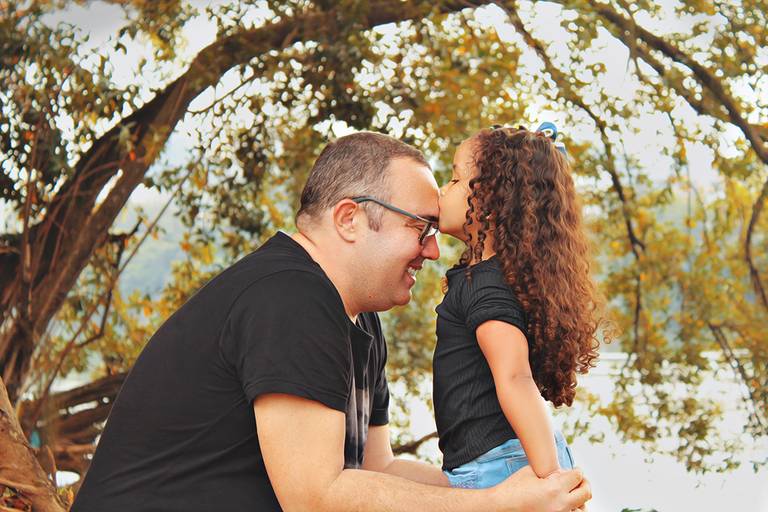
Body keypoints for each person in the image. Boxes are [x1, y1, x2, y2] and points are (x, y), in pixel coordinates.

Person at [72, 131, 591, 512]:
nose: (434, 250)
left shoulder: (361, 324)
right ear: (350, 219)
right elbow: (315, 497)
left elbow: (376, 470)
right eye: (420, 227)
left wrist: (511, 487)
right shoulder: (290, 297)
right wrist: (499, 505)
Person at [434, 124, 607, 489]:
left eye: (453, 180)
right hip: (504, 459)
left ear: (491, 202)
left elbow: (515, 378)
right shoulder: (497, 280)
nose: (441, 191)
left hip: (501, 467)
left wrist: (551, 480)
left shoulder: (484, 287)